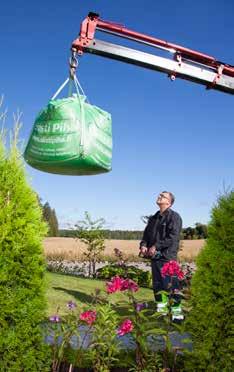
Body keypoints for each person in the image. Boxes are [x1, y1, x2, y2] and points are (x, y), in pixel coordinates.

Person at [139, 191, 183, 318]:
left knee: (171, 286)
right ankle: (162, 311)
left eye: (163, 196)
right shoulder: (154, 218)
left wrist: (156, 246)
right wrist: (143, 245)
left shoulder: (174, 217)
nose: (159, 196)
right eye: (159, 195)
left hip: (167, 258)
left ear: (169, 202)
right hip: (155, 258)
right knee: (158, 285)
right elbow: (146, 236)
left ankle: (176, 314)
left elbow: (173, 238)